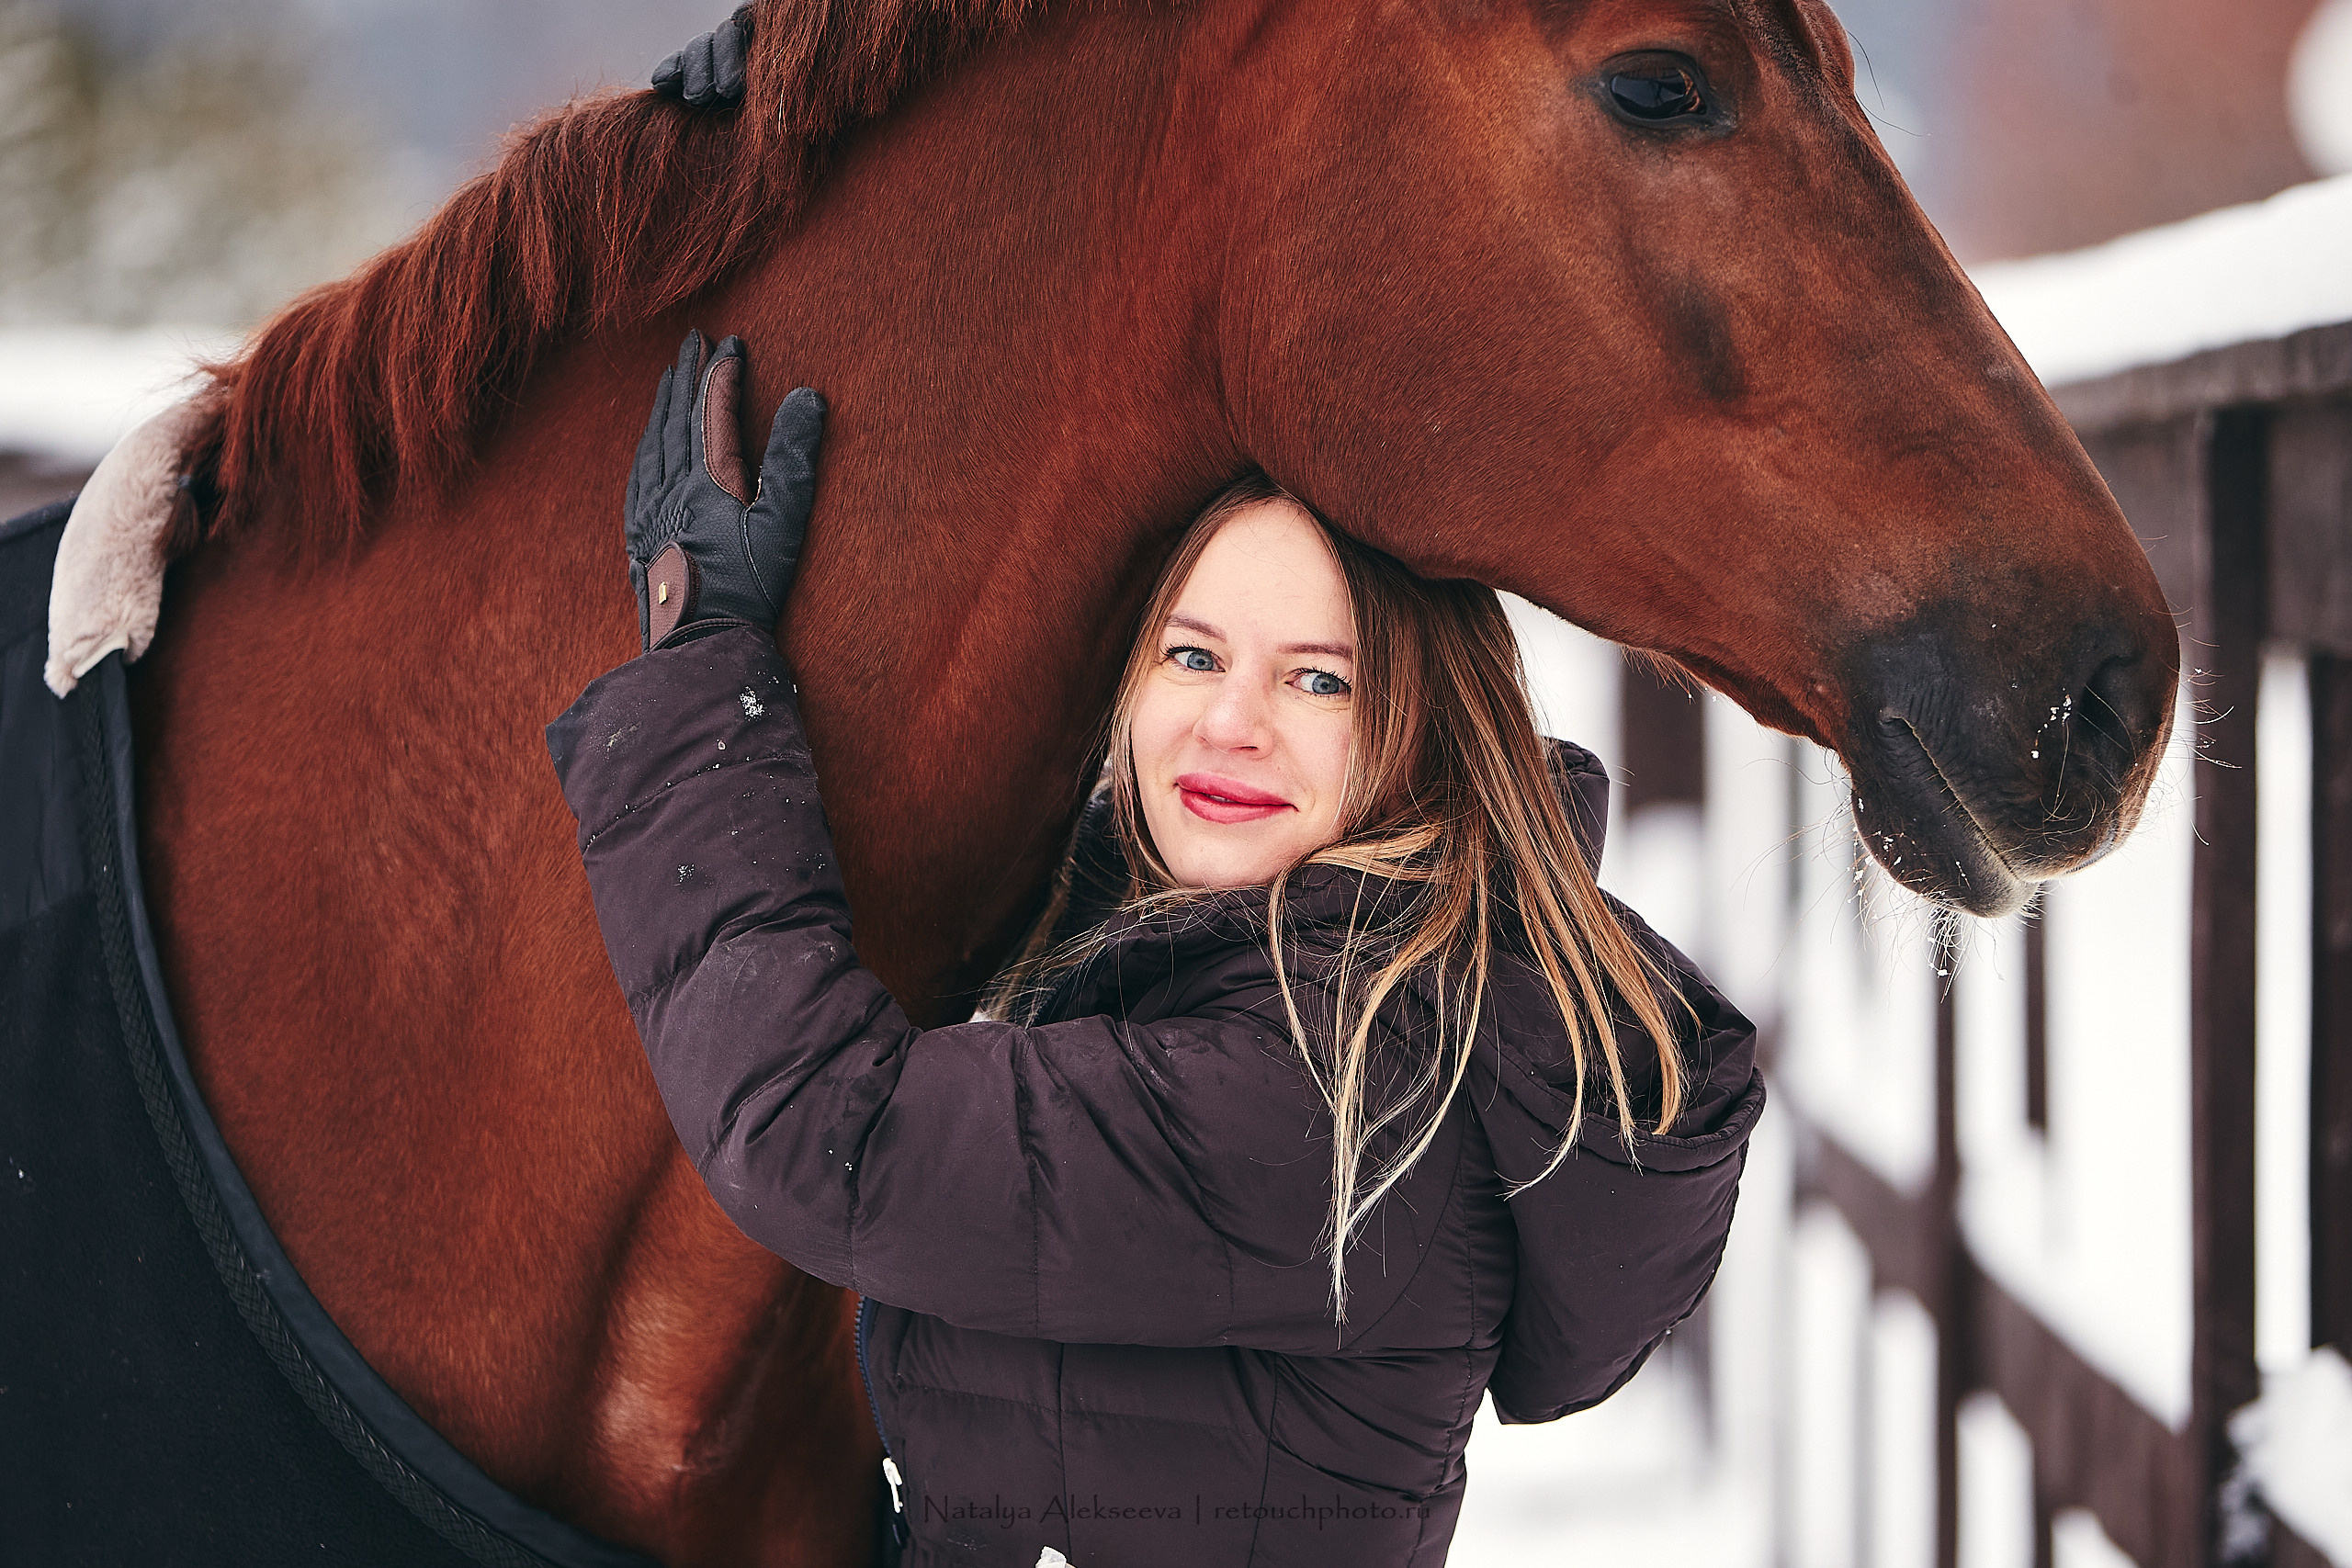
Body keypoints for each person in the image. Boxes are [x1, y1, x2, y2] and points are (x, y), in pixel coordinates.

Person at [545, 331, 1766, 1568]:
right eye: (1193, 655)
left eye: (1320, 681)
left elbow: (836, 1137)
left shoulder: (1342, 1089)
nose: (1230, 722)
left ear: (1426, 738)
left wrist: (700, 676)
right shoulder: (1186, 960)